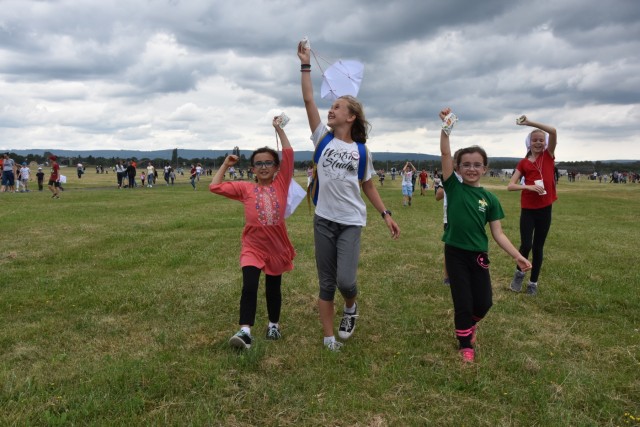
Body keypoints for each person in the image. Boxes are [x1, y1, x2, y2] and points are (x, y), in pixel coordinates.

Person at [298, 41, 400, 352]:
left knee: (345, 282)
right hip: (323, 221)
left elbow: (368, 185)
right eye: (332, 106)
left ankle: (351, 307)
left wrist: (386, 214)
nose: (331, 109)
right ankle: (329, 339)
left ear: (352, 116)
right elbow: (308, 99)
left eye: (338, 107)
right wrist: (305, 64)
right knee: (326, 283)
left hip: (351, 222)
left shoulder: (361, 151)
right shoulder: (322, 138)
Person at [438, 107, 531, 363]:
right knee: (463, 301)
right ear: (457, 167)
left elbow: (498, 234)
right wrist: (446, 128)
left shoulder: (489, 199)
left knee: (484, 303)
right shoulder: (453, 187)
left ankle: (470, 325)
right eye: (466, 164)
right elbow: (445, 152)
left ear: (485, 169)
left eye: (477, 165)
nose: (471, 168)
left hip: (479, 254)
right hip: (455, 253)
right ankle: (465, 344)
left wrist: (519, 256)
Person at [209, 116, 296, 350]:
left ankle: (273, 325)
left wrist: (278, 129)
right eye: (259, 163)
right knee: (249, 286)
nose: (264, 167)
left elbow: (288, 153)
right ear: (252, 169)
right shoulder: (245, 188)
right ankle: (245, 331)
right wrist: (226, 165)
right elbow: (214, 186)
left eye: (269, 163)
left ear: (276, 167)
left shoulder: (281, 184)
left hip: (276, 248)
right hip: (253, 248)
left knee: (273, 288)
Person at [506, 116, 558, 296]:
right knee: (526, 244)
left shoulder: (548, 156)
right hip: (528, 209)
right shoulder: (523, 162)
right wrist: (527, 186)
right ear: (529, 143)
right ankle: (519, 275)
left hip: (545, 208)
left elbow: (553, 131)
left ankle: (533, 283)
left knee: (538, 247)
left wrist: (530, 123)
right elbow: (510, 185)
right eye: (535, 140)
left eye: (541, 140)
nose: (538, 143)